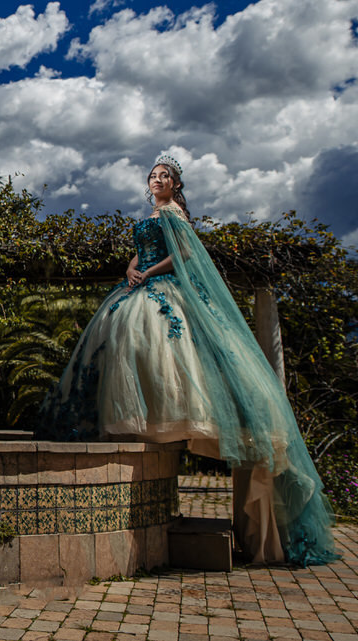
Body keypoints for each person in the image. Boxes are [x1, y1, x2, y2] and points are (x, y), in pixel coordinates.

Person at [37, 154, 339, 567]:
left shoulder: (175, 213)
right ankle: (136, 419)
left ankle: (165, 415)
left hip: (164, 287)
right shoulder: (151, 214)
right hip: (139, 282)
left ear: (176, 185)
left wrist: (149, 273)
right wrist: (132, 269)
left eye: (164, 176)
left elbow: (184, 256)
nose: (157, 180)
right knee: (125, 341)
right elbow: (138, 252)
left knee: (161, 345)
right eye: (153, 176)